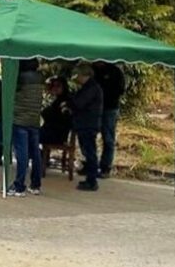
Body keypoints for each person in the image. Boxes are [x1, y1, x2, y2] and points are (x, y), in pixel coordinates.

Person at [9, 59, 46, 197]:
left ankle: (19, 186)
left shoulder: (20, 78)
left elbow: (11, 92)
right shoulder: (40, 78)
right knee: (35, 153)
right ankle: (36, 185)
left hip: (20, 121)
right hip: (34, 121)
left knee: (22, 154)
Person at [69, 63, 104, 191]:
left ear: (85, 75)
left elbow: (79, 103)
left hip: (88, 123)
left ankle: (92, 180)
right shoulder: (90, 87)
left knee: (90, 152)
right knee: (88, 151)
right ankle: (90, 178)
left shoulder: (91, 88)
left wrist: (71, 98)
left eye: (78, 75)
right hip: (87, 123)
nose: (76, 78)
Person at [94, 61, 127, 178]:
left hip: (110, 108)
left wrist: (106, 95)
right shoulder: (94, 70)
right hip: (95, 108)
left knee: (108, 138)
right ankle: (91, 164)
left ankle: (105, 167)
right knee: (89, 134)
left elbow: (121, 90)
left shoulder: (115, 72)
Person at [40, 76, 73, 146]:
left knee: (28, 135)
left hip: (57, 135)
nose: (55, 88)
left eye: (58, 86)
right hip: (49, 131)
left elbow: (65, 118)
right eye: (53, 86)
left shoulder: (65, 101)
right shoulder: (55, 99)